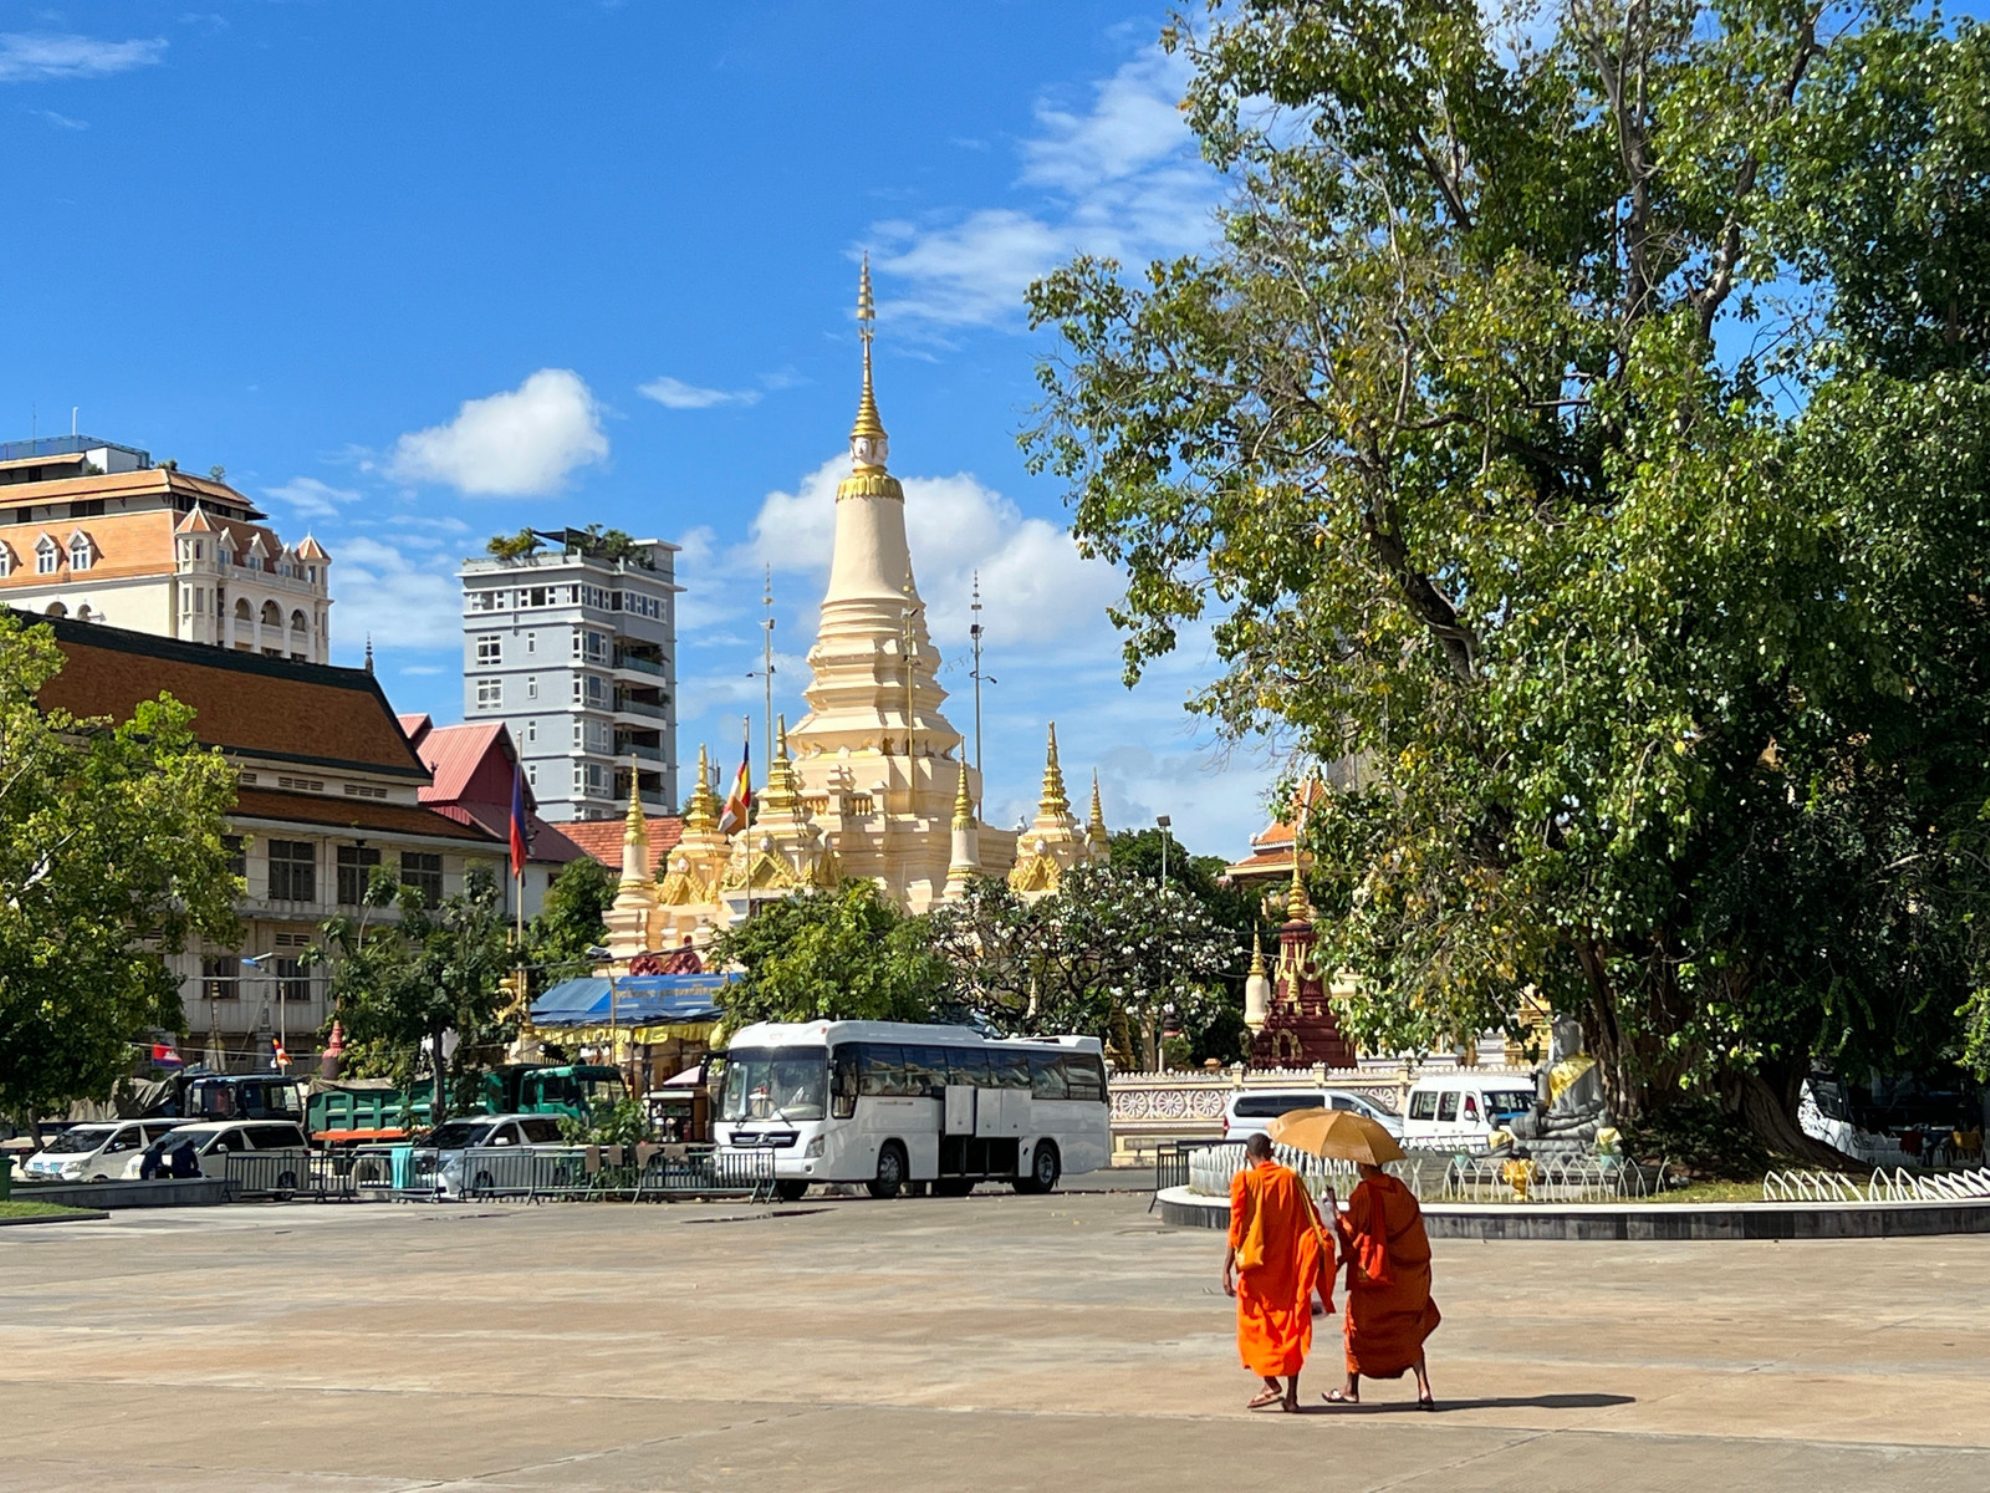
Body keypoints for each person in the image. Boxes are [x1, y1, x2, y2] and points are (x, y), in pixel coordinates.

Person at [1222, 1132, 1335, 1412]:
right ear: (1271, 1152)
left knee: (1255, 1328)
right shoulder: (1291, 1179)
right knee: (1290, 1329)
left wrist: (1226, 1268)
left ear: (1248, 1156)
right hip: (1289, 1269)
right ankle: (1292, 1397)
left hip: (1257, 1271)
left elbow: (1237, 1231)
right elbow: (1311, 1221)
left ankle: (1271, 1383)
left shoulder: (1245, 1181)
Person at [1322, 1161, 1440, 1409]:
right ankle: (1424, 1389)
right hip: (1407, 1276)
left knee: (1356, 1328)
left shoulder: (1365, 1193)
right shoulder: (1399, 1189)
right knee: (1406, 1329)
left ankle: (1351, 1389)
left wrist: (1332, 1209)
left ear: (1363, 1165)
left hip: (1377, 1277)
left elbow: (1350, 1231)